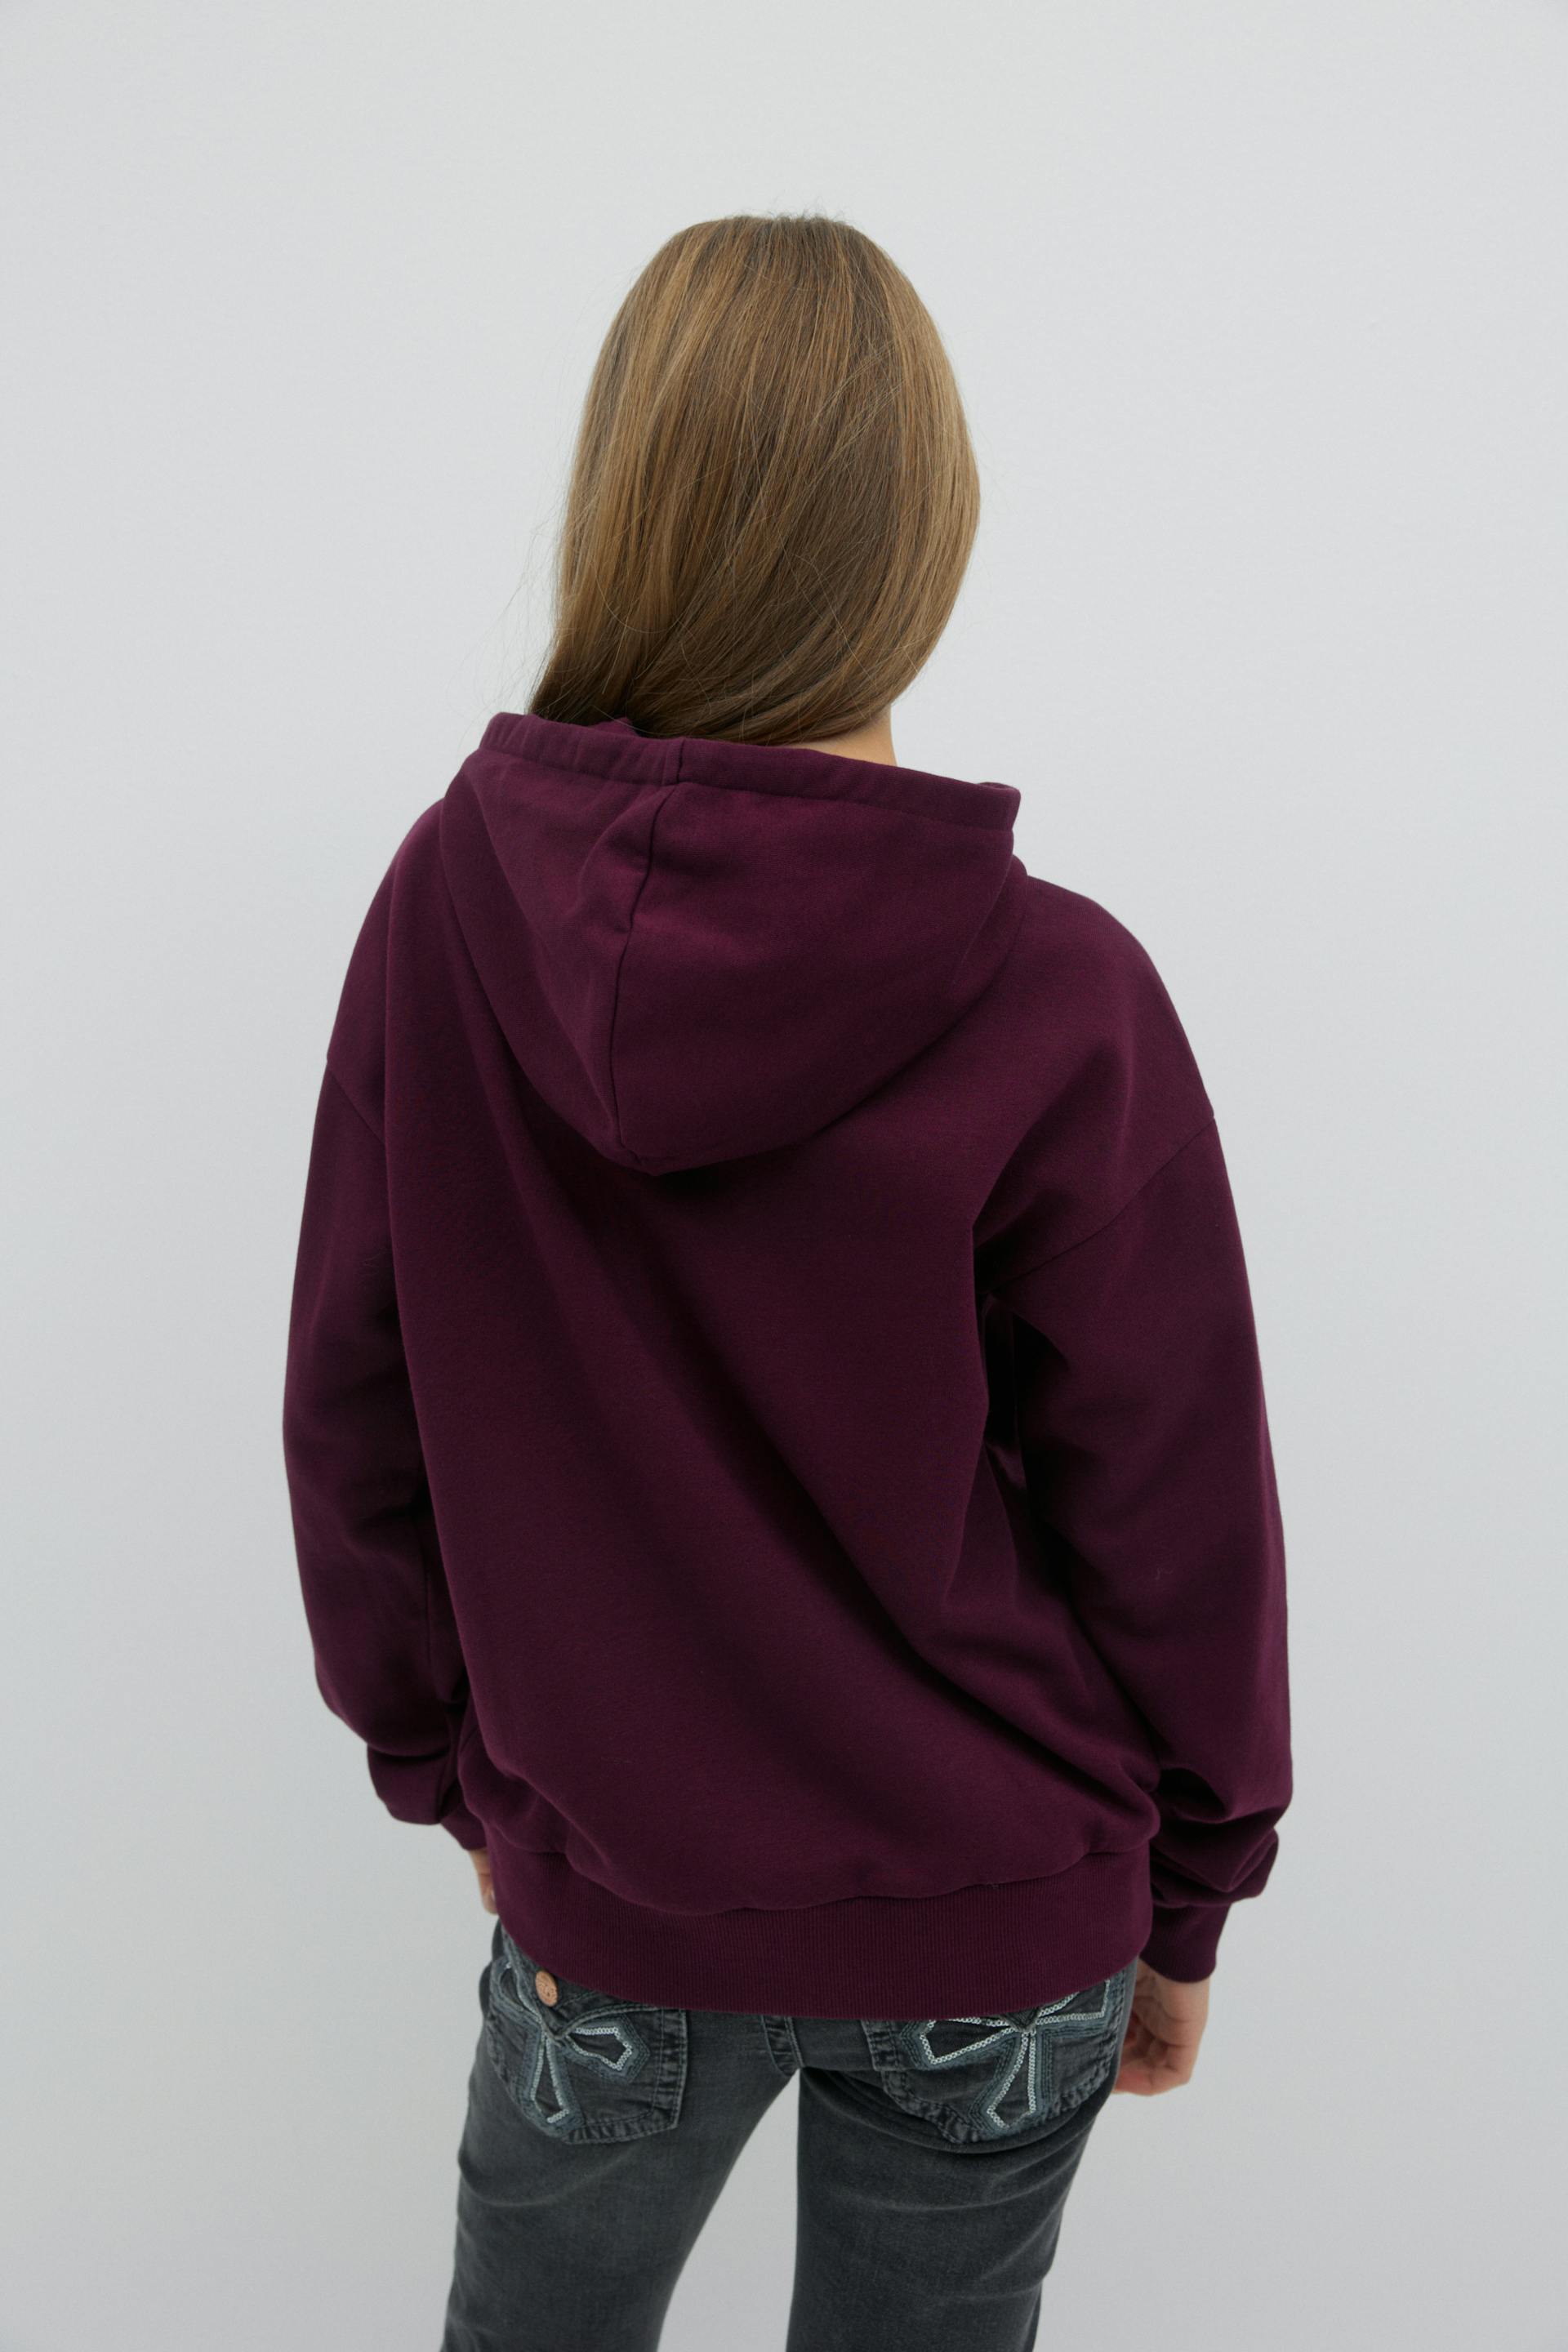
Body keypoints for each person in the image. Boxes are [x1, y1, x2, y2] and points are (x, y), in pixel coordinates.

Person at [281, 212, 1293, 2352]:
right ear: (921, 534)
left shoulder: (450, 907)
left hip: (608, 1894)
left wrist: (454, 1769)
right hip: (998, 1909)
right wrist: (1194, 1890)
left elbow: (354, 1414)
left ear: (626, 502)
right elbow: (1174, 1509)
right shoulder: (1060, 992)